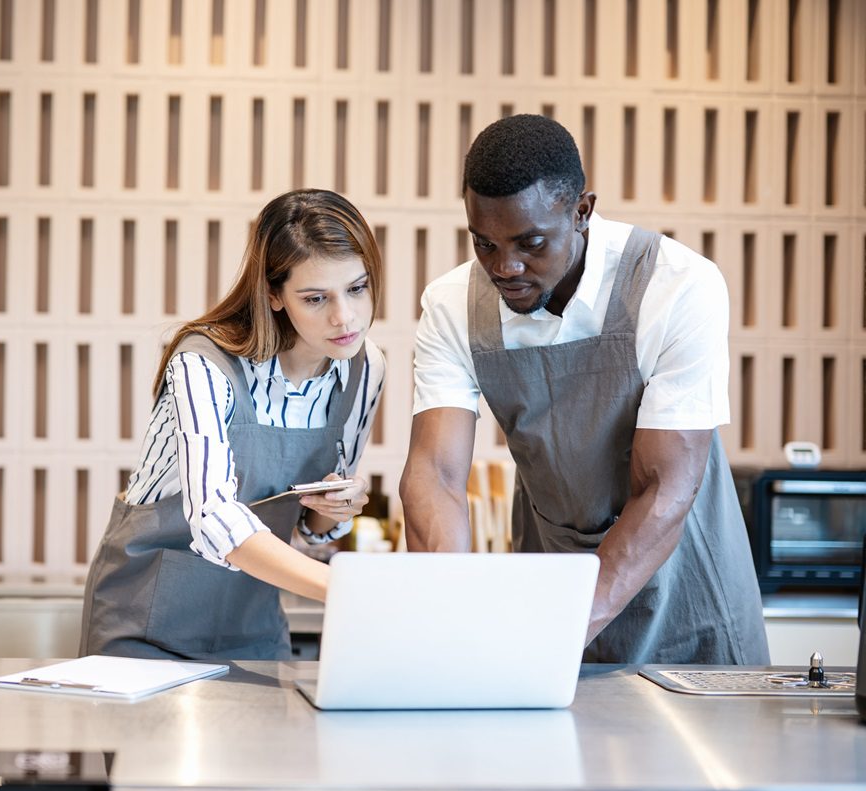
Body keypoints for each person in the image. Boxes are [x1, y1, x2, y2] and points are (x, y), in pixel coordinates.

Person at [400, 114, 769, 665]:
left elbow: (663, 487)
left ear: (581, 212)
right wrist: (446, 614)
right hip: (550, 581)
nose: (506, 267)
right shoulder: (452, 304)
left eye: (531, 242)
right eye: (484, 243)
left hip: (686, 587)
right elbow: (437, 475)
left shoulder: (676, 285)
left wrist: (564, 628)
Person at [81, 188, 386, 660]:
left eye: (357, 288)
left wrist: (334, 506)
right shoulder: (203, 364)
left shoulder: (365, 370)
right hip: (146, 626)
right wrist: (351, 591)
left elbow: (309, 531)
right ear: (274, 295)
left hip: (254, 626)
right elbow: (213, 518)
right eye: (315, 297)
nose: (344, 317)